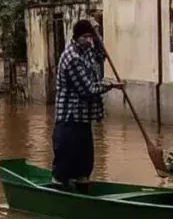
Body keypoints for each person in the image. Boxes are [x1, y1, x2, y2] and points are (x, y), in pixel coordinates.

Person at [51, 19, 124, 190]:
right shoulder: (72, 58)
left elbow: (101, 55)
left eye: (90, 37)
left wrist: (98, 36)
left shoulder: (87, 50)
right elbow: (88, 89)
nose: (88, 40)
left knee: (85, 158)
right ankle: (59, 186)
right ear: (76, 38)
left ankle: (82, 181)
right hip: (70, 116)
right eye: (85, 37)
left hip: (84, 115)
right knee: (67, 157)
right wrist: (112, 85)